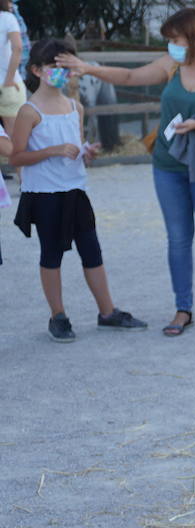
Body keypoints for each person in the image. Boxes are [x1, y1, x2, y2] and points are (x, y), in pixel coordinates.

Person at [59, 8, 195, 336]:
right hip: (168, 165)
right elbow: (131, 78)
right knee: (178, 239)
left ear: (194, 37)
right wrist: (89, 68)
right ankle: (183, 309)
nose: (171, 45)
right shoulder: (172, 63)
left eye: (175, 38)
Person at [8, 39, 146, 341]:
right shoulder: (29, 112)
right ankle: (58, 316)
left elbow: (76, 144)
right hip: (45, 194)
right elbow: (16, 156)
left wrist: (86, 152)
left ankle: (107, 311)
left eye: (67, 66)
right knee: (52, 254)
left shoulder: (75, 106)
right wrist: (52, 150)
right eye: (54, 67)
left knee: (91, 250)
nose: (62, 72)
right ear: (36, 70)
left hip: (75, 190)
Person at [0, 0, 23, 132]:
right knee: (15, 138)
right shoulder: (7, 18)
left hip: (6, 84)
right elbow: (18, 48)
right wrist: (9, 80)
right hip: (8, 85)